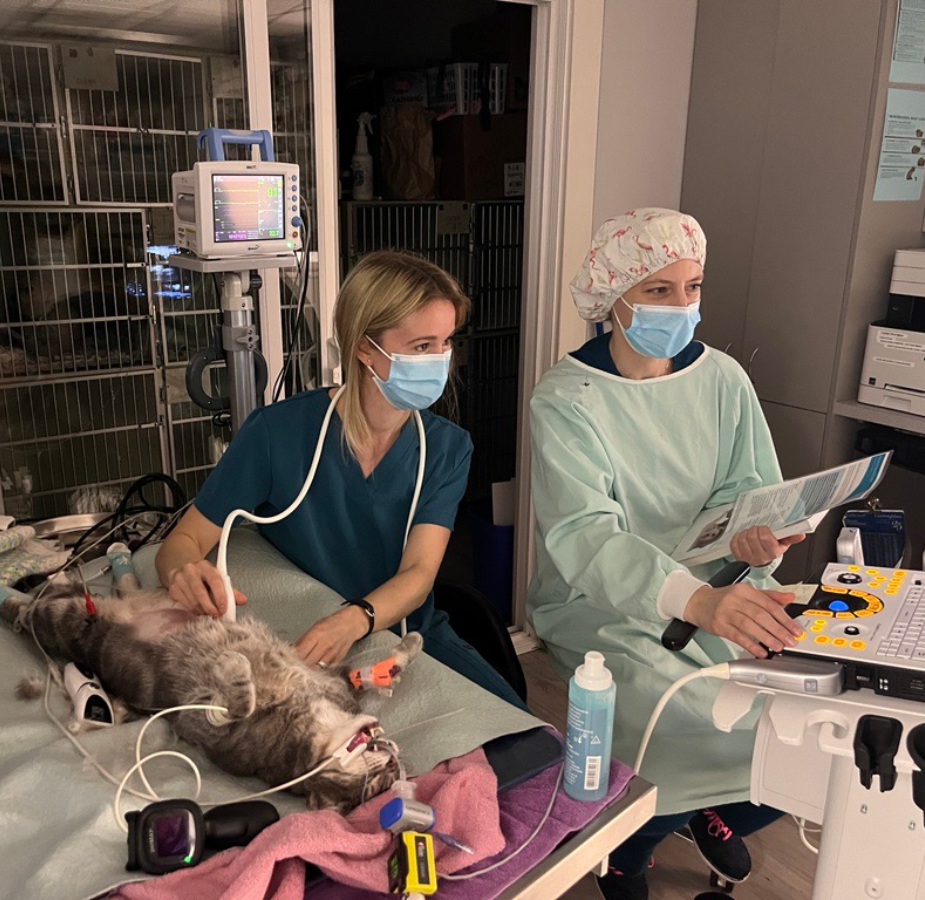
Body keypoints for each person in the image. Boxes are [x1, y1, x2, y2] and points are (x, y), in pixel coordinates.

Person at [527, 209, 805, 900]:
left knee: (799, 716)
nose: (681, 306)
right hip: (599, 599)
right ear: (612, 295)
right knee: (674, 713)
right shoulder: (567, 399)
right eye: (657, 290)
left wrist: (754, 544)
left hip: (718, 584)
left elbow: (748, 488)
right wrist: (695, 601)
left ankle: (701, 811)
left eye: (692, 287)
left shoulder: (723, 379)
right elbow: (585, 537)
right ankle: (631, 848)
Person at [156, 250, 525, 709]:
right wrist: (183, 572)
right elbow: (184, 541)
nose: (441, 360)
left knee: (517, 727)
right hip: (298, 632)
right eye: (422, 346)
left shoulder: (446, 449)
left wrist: (354, 620)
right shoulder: (278, 434)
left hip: (405, 634)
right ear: (365, 348)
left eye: (447, 342)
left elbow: (419, 574)